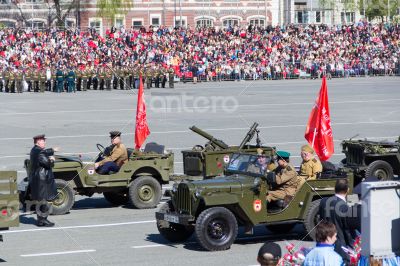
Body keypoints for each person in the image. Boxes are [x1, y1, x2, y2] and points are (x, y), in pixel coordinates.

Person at [319, 179, 353, 264]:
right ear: (347, 190)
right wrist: (352, 245)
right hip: (340, 246)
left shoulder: (324, 201)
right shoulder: (345, 207)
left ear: (335, 189)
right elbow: (346, 229)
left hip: (324, 243)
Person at [28, 134, 57, 227]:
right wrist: (52, 160)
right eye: (43, 140)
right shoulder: (40, 152)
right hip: (42, 179)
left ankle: (41, 220)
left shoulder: (34, 150)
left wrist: (52, 150)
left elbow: (44, 152)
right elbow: (48, 164)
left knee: (41, 200)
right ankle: (43, 220)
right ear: (38, 141)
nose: (45, 142)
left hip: (38, 179)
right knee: (43, 200)